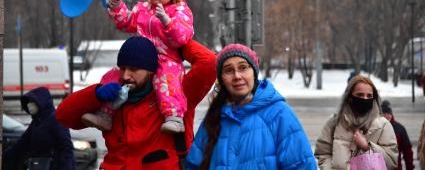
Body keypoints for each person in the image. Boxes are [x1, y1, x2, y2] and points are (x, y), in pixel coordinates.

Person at [56, 36, 216, 169]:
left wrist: (173, 40)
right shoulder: (112, 97)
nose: (126, 75)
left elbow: (208, 62)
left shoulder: (176, 94)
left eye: (133, 69)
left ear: (151, 70)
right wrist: (95, 94)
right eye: (123, 68)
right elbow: (63, 115)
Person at [83, 0, 193, 134]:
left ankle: (174, 117)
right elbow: (127, 22)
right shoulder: (143, 8)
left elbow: (182, 37)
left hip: (166, 57)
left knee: (167, 80)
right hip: (141, 57)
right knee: (115, 76)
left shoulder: (179, 11)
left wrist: (167, 22)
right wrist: (117, 7)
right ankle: (106, 114)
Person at [186, 43, 317, 169]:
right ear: (222, 79)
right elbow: (193, 165)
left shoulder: (279, 113)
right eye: (229, 70)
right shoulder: (214, 116)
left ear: (254, 73)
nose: (237, 76)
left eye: (243, 68)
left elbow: (302, 165)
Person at [314, 75, 398, 169]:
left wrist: (367, 147)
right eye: (360, 95)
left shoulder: (383, 125)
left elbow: (391, 162)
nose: (365, 99)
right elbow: (323, 153)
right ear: (350, 97)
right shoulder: (334, 122)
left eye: (369, 96)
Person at [3, 87, 75, 170]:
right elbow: (22, 144)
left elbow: (66, 148)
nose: (29, 104)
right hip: (39, 165)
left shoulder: (56, 119)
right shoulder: (36, 122)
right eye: (28, 102)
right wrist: (4, 155)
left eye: (32, 101)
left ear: (42, 102)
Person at [381, 100, 415, 170]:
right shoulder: (374, 128)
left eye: (389, 113)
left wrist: (410, 167)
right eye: (384, 113)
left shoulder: (400, 129)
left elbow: (407, 151)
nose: (387, 116)